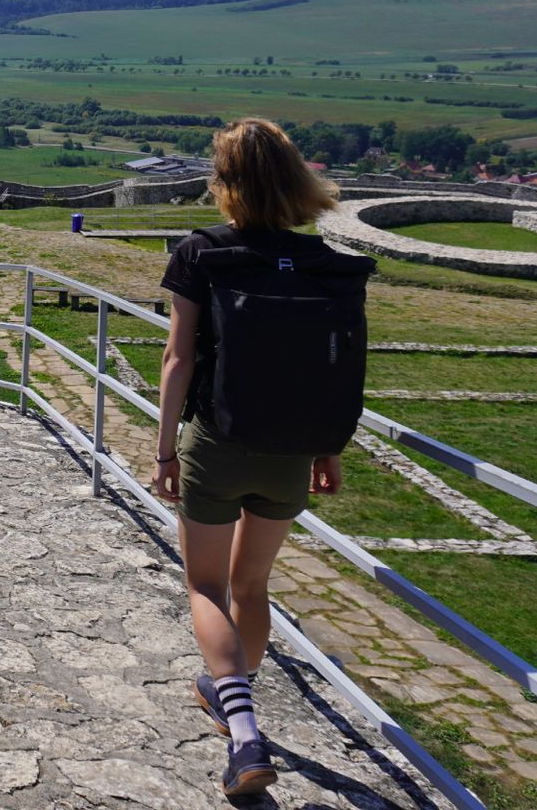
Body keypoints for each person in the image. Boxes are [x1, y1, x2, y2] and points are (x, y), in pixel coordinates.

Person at [151, 117, 348, 799]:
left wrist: (164, 450)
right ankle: (233, 690)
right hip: (291, 450)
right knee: (251, 587)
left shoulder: (202, 253)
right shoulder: (320, 261)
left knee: (204, 588)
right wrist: (327, 447)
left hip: (219, 443)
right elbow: (331, 365)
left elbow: (178, 359)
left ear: (225, 183)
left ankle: (242, 732)